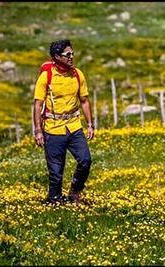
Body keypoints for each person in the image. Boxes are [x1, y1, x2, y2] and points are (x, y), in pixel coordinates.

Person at [33, 39, 94, 205]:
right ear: (57, 56)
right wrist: (38, 130)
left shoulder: (78, 74)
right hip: (52, 129)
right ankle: (54, 202)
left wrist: (90, 124)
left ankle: (75, 192)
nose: (71, 57)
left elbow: (84, 101)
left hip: (74, 127)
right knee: (56, 173)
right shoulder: (47, 76)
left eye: (73, 53)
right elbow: (38, 104)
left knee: (85, 160)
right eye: (68, 54)